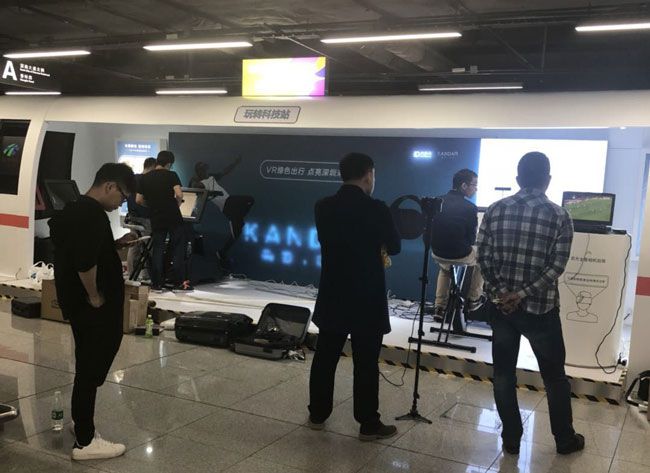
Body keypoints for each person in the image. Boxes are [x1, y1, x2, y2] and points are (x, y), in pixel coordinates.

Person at [476, 152, 584, 456]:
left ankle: (511, 439)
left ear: (518, 179)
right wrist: (522, 294)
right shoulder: (559, 216)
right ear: (547, 180)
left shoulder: (495, 210)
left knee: (503, 375)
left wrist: (504, 293)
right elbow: (556, 266)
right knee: (554, 378)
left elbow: (483, 256)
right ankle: (564, 440)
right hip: (541, 311)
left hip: (502, 309)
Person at [308, 152, 401, 441]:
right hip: (367, 297)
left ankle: (317, 414)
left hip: (333, 292)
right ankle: (368, 423)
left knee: (325, 357)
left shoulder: (323, 207)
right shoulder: (377, 209)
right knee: (365, 363)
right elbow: (395, 247)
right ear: (368, 175)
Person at [48, 163, 137, 460]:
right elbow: (85, 262)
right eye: (122, 196)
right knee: (90, 368)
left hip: (77, 305)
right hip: (92, 306)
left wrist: (115, 245)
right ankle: (85, 442)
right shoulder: (91, 215)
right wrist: (95, 296)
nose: (121, 203)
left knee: (86, 364)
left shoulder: (76, 209)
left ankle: (81, 423)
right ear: (109, 186)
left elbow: (84, 249)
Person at [431, 169, 485, 316]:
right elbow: (471, 239)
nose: (476, 189)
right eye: (474, 185)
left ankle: (439, 307)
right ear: (464, 186)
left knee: (445, 269)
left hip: (437, 252)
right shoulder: (470, 208)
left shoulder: (437, 200)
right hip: (460, 254)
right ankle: (474, 299)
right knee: (483, 259)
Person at [137, 151, 192, 292]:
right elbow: (179, 194)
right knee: (178, 247)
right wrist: (176, 205)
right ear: (169, 163)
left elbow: (138, 200)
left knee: (158, 249)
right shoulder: (171, 175)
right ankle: (178, 283)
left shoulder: (145, 178)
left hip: (156, 216)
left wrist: (152, 206)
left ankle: (157, 284)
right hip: (173, 216)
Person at [189, 157, 253, 269]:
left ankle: (221, 252)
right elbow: (194, 187)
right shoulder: (201, 184)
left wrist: (235, 163)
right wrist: (194, 180)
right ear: (199, 172)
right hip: (227, 204)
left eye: (205, 169)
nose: (205, 171)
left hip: (229, 206)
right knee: (249, 199)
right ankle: (237, 217)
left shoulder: (211, 177)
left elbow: (224, 172)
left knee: (236, 233)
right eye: (203, 170)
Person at [125, 157, 156, 278]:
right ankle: (148, 275)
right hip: (144, 218)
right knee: (148, 247)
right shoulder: (146, 180)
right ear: (152, 167)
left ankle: (131, 274)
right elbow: (140, 200)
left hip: (132, 217)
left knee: (134, 246)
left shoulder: (133, 179)